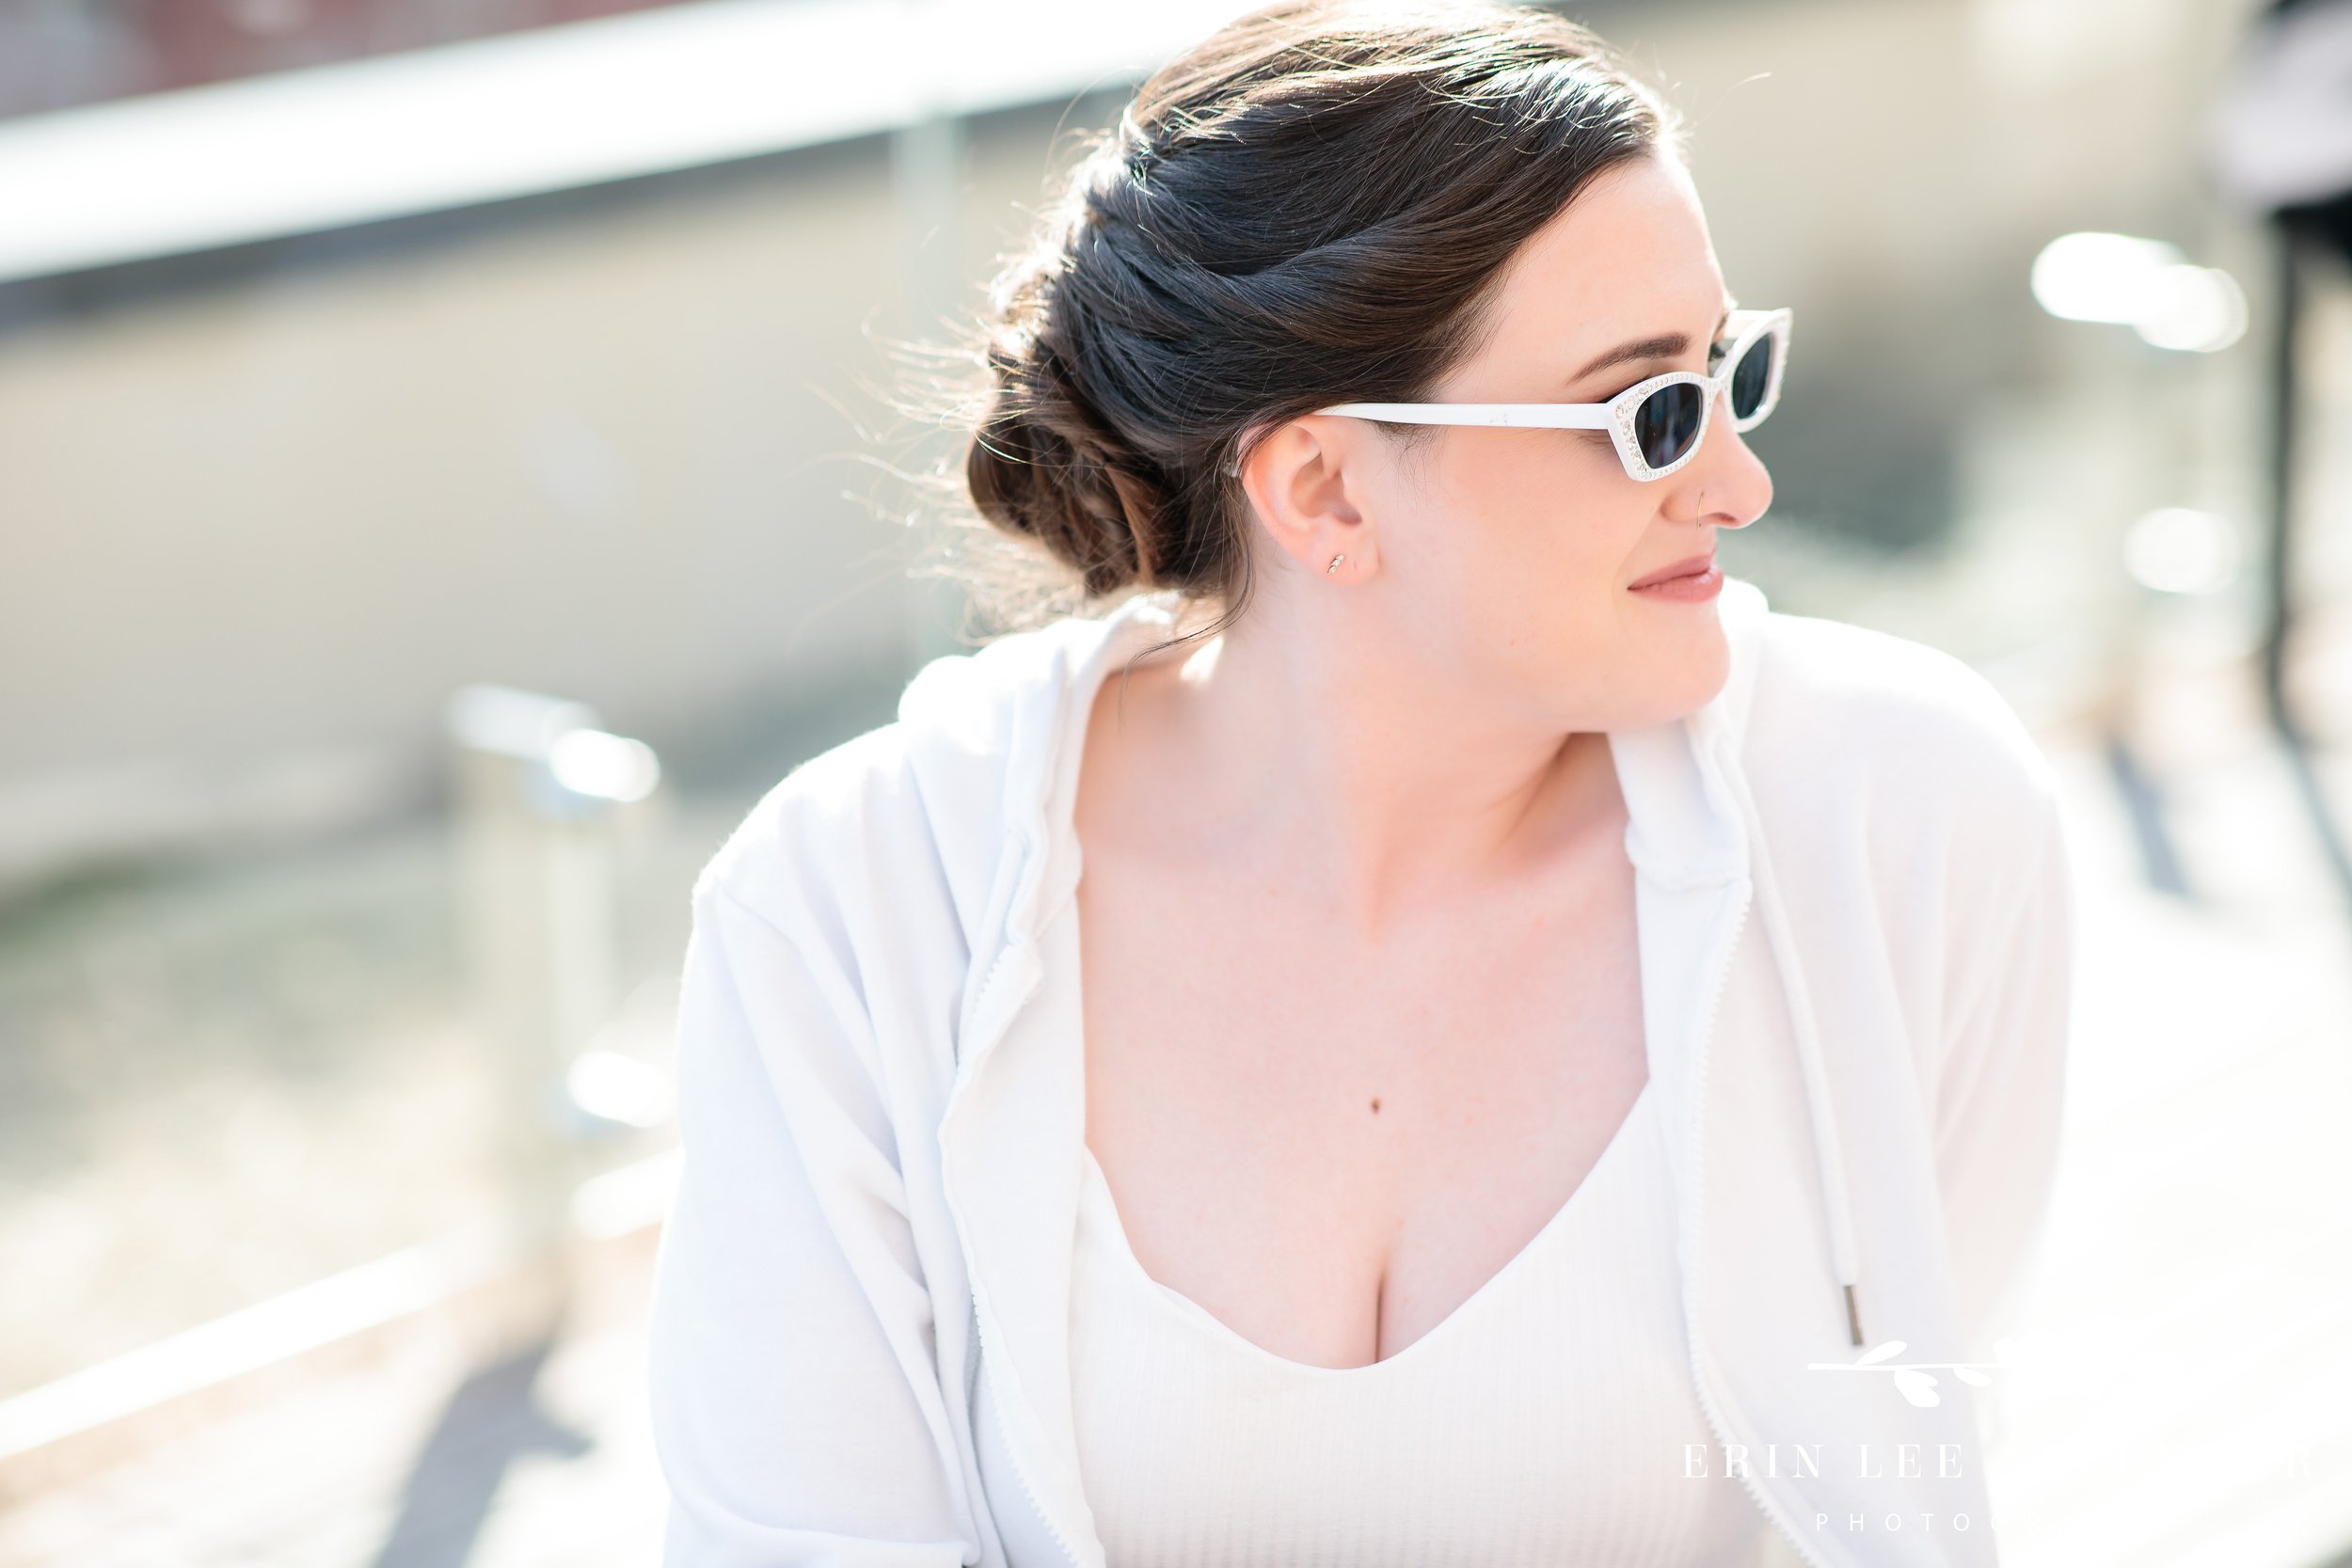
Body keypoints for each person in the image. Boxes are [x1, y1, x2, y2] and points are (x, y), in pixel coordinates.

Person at [644, 2, 2076, 1564]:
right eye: (1650, 409)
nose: (1737, 481)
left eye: (1731, 373)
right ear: (1323, 487)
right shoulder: (848, 915)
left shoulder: (1903, 825)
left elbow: (1915, 1461)